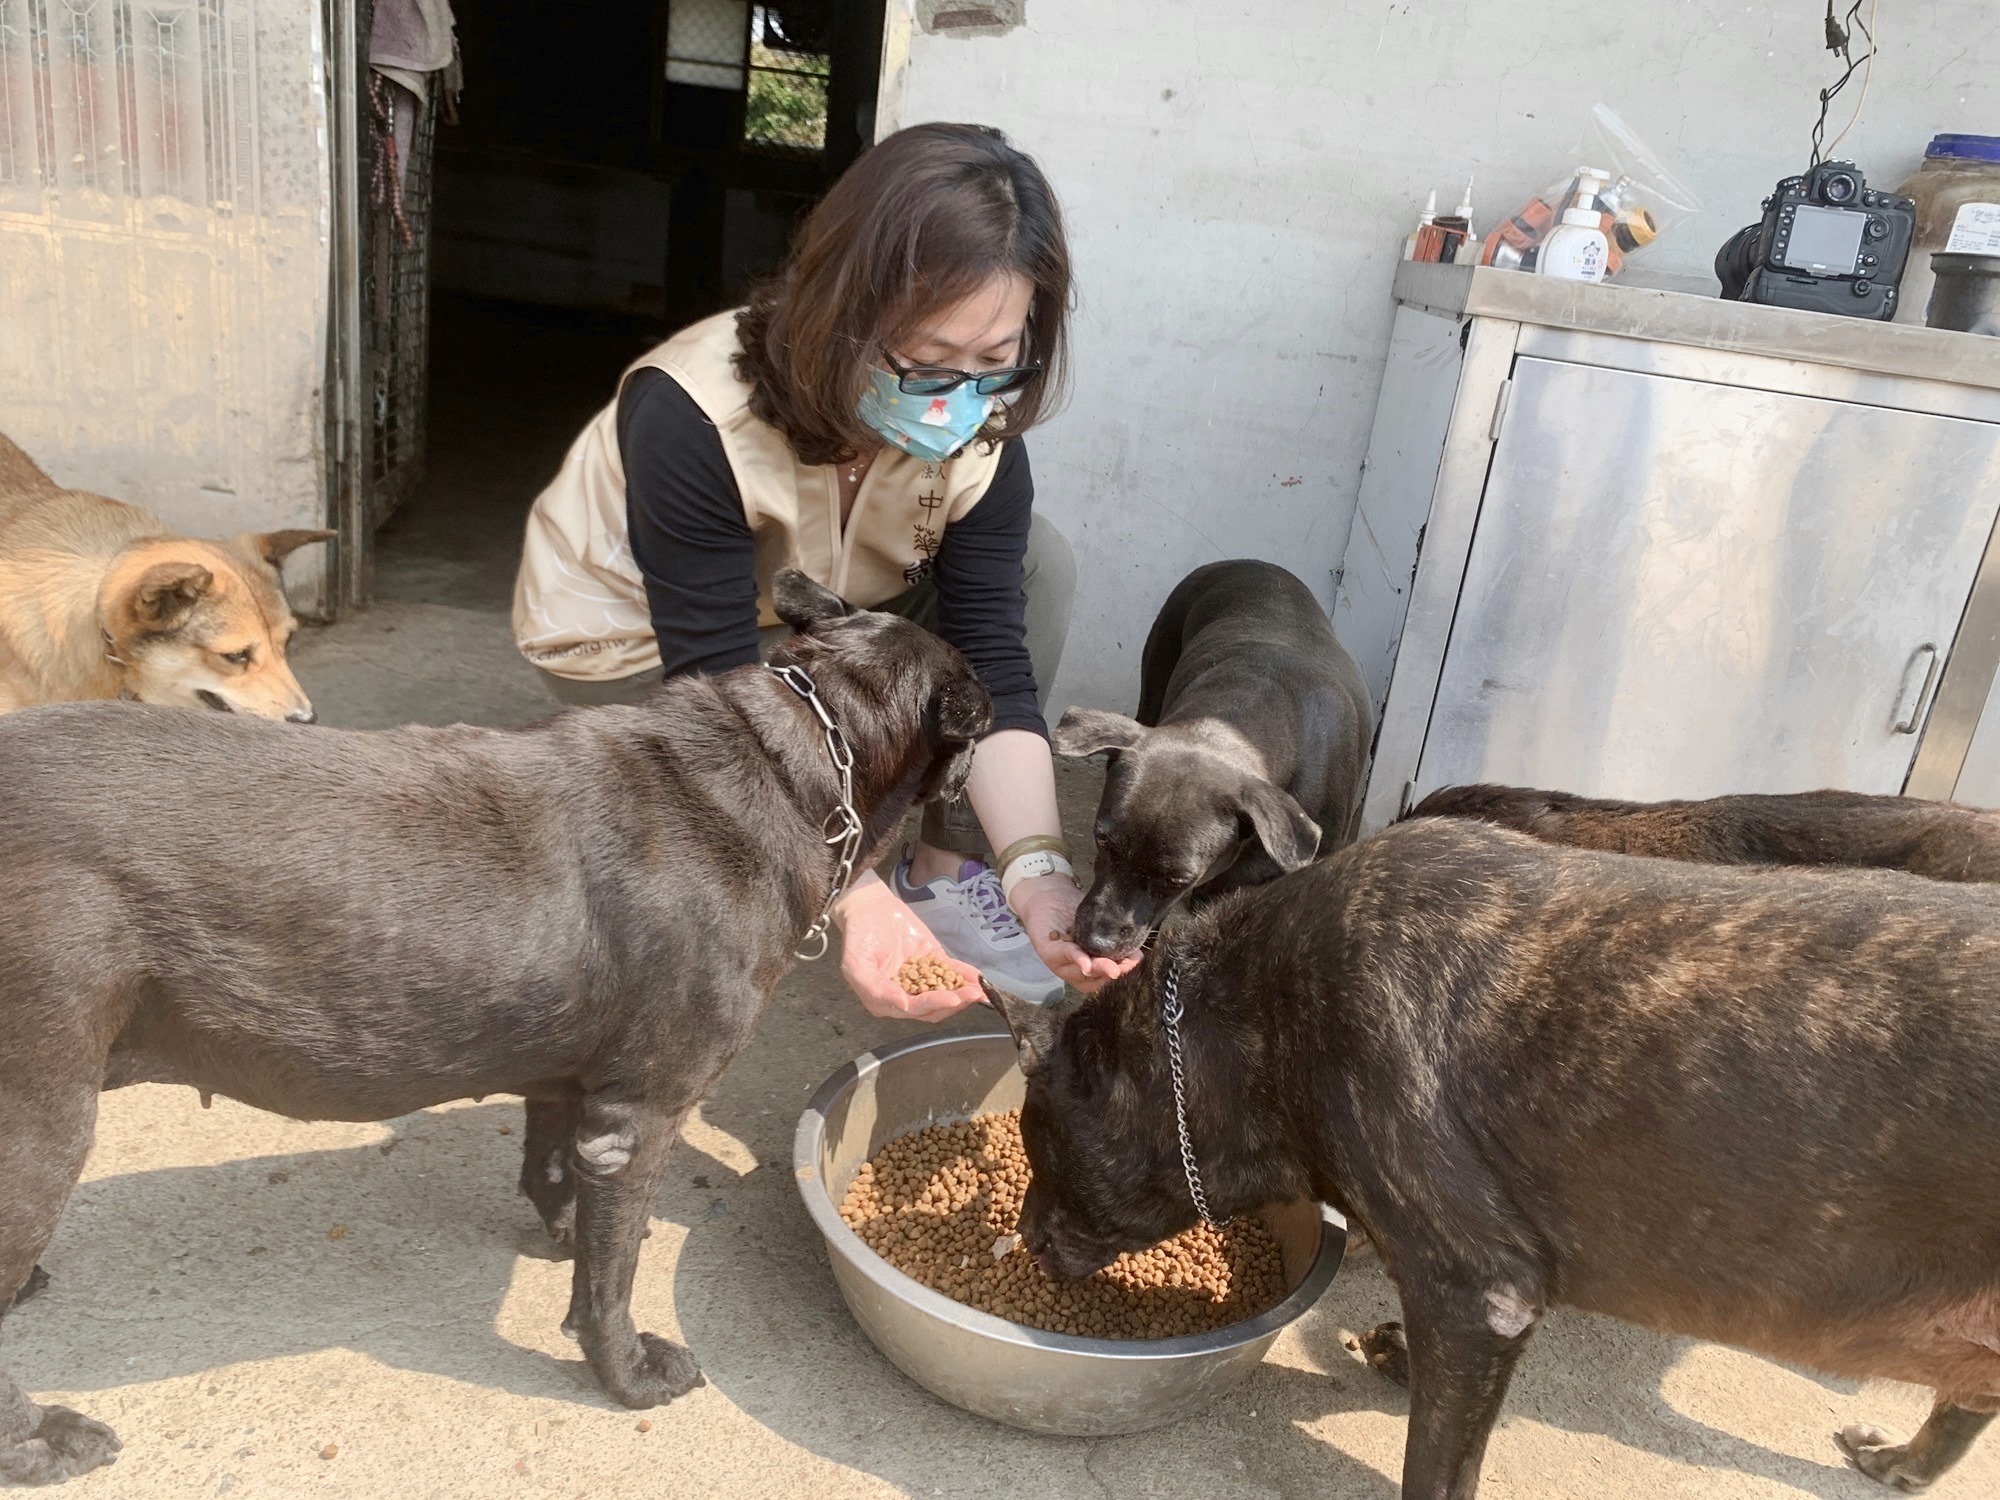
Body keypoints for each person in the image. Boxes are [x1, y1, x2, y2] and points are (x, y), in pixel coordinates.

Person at [512, 122, 1138, 1019]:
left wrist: (1039, 874)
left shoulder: (980, 430)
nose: (958, 399)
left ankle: (946, 863)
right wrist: (847, 894)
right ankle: (803, 868)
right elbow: (719, 689)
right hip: (638, 638)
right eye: (925, 362)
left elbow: (992, 656)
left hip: (805, 609)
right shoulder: (689, 413)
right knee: (697, 811)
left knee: (1038, 564)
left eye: (993, 363)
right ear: (843, 310)